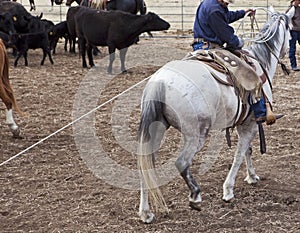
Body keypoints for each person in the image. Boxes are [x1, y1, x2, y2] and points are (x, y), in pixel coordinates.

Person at [192, 0, 281, 125]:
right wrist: (238, 42)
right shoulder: (214, 9)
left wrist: (243, 13)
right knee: (246, 70)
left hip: (200, 45)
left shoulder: (210, 4)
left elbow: (225, 18)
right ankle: (260, 111)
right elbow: (226, 35)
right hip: (212, 48)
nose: (227, 4)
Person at [286, 0, 300, 71]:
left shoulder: (299, 9)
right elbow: (287, 19)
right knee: (292, 49)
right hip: (293, 31)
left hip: (299, 31)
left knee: (292, 48)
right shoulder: (290, 9)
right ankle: (293, 65)